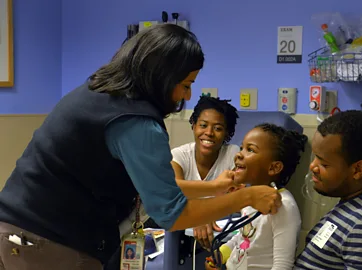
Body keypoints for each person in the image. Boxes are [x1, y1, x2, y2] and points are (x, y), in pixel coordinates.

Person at [0, 24, 281, 270]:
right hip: (48, 244)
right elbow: (173, 214)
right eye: (185, 84)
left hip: (14, 231)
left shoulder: (97, 92)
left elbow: (156, 186)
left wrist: (215, 188)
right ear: (162, 77)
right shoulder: (137, 123)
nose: (188, 95)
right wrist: (247, 198)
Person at [294, 110, 362, 270]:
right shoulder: (353, 205)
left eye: (324, 164)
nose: (312, 166)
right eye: (315, 157)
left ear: (358, 170)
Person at [205, 123, 307, 270]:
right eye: (242, 148)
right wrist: (220, 255)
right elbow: (242, 238)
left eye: (250, 150)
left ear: (274, 168)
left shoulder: (283, 206)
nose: (239, 154)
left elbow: (282, 265)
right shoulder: (249, 198)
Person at [171, 95, 240, 250]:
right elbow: (173, 192)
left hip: (221, 236)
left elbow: (235, 200)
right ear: (193, 126)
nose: (209, 133)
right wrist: (199, 216)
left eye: (218, 128)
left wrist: (205, 214)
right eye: (203, 125)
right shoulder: (179, 156)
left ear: (227, 133)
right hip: (179, 237)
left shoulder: (233, 155)